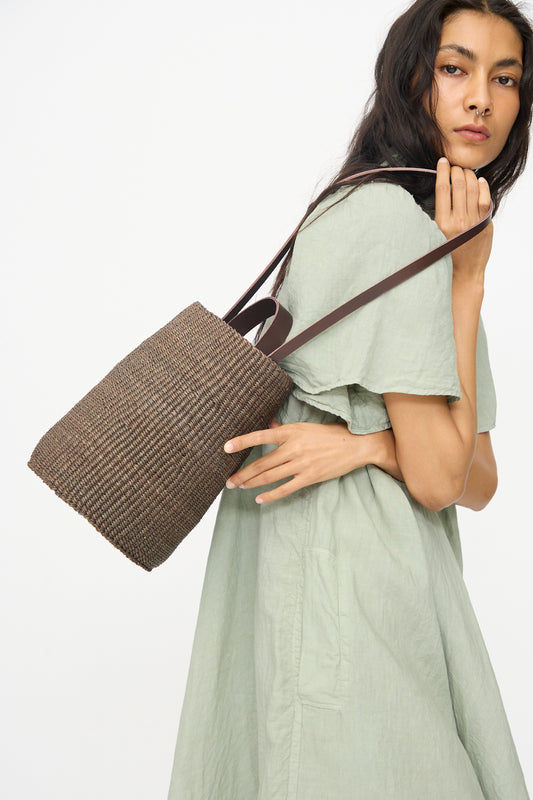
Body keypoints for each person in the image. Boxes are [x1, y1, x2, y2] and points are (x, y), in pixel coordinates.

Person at [167, 0, 532, 797]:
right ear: (410, 79)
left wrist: (366, 445)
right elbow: (438, 477)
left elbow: (480, 477)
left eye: (505, 79)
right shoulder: (392, 230)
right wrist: (468, 278)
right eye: (454, 68)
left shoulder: (407, 227)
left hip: (361, 579)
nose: (480, 98)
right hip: (347, 586)